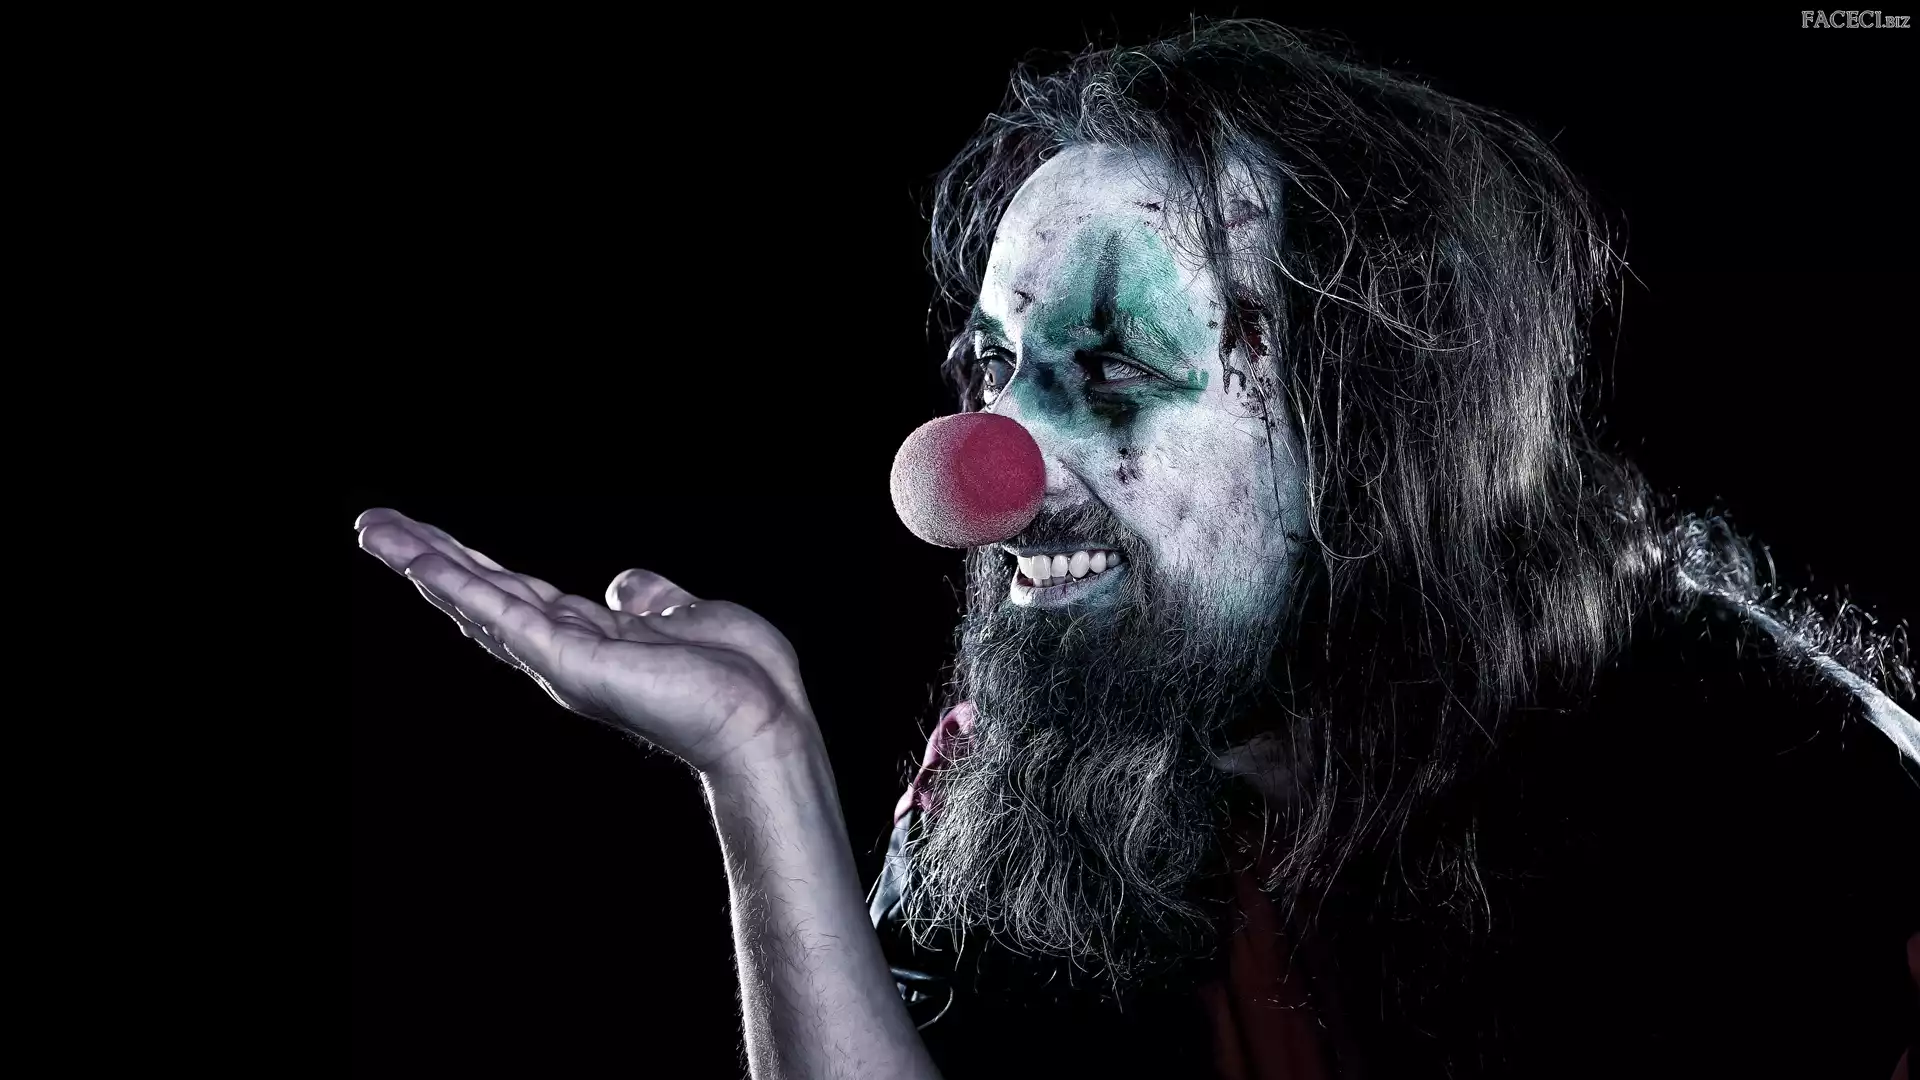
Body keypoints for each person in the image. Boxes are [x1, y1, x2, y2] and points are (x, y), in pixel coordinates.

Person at [355, 20, 1919, 1079]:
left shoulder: (1759, 789)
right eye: (995, 366)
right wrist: (759, 765)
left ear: (1367, 423)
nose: (984, 477)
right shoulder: (1065, 752)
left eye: (1108, 367)